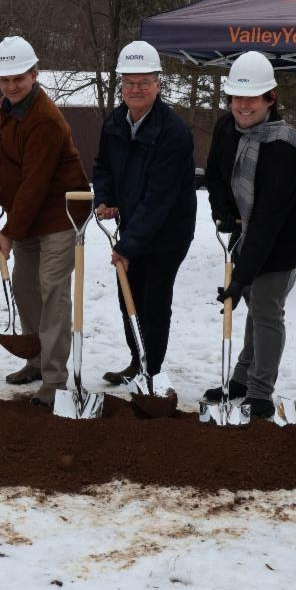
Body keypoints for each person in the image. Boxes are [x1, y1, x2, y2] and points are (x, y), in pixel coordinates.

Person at [204, 51, 296, 419]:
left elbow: (269, 222)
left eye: (252, 98)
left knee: (266, 306)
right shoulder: (226, 128)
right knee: (255, 303)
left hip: (285, 240)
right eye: (237, 97)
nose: (243, 106)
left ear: (271, 98)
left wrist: (240, 279)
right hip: (247, 230)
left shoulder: (281, 148)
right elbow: (216, 175)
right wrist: (224, 214)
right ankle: (240, 379)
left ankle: (260, 393)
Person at [0, 36, 89, 406]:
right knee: (25, 287)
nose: (11, 86)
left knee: (52, 291)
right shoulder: (3, 108)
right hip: (27, 212)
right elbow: (11, 166)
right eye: (5, 79)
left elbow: (36, 182)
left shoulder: (44, 120)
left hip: (60, 214)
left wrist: (9, 232)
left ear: (34, 74)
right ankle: (36, 359)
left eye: (19, 78)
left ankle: (55, 380)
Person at [92, 41, 196, 390]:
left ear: (157, 85)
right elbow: (102, 166)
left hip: (168, 232)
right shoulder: (115, 123)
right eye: (129, 83)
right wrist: (105, 198)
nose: (136, 89)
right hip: (132, 227)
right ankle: (138, 360)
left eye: (144, 83)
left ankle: (152, 371)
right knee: (128, 298)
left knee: (153, 301)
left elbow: (159, 200)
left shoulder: (173, 132)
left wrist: (129, 245)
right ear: (121, 85)